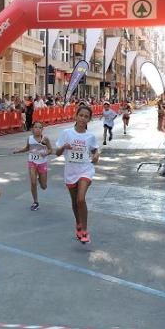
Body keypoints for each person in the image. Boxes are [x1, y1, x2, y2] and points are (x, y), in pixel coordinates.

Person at [56, 104, 100, 244]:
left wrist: (96, 156)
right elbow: (57, 153)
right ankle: (79, 224)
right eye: (81, 115)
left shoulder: (90, 136)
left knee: (81, 199)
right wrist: (64, 147)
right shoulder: (67, 133)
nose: (83, 118)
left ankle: (85, 230)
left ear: (89, 119)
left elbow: (95, 151)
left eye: (86, 117)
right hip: (71, 171)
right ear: (76, 116)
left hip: (86, 170)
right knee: (75, 202)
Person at [13, 120, 53, 211]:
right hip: (32, 162)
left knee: (44, 186)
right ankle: (35, 202)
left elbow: (51, 150)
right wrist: (18, 151)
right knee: (33, 182)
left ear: (42, 129)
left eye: (40, 127)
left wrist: (46, 153)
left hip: (42, 163)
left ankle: (40, 180)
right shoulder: (30, 138)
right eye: (36, 127)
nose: (38, 129)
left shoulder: (45, 139)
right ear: (32, 129)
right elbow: (27, 148)